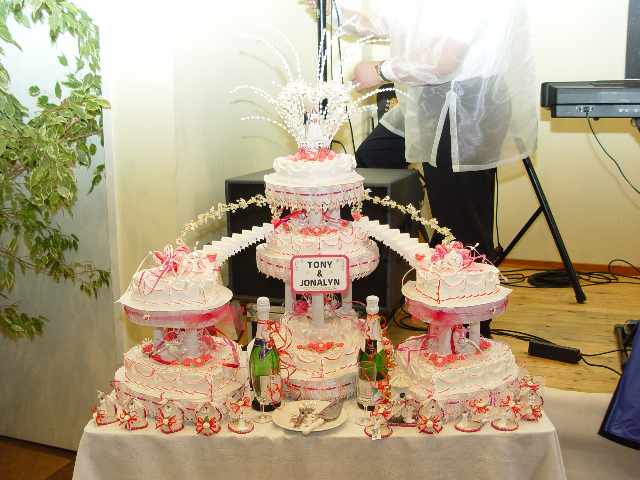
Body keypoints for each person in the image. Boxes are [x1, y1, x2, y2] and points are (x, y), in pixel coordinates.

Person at [305, 0, 538, 336]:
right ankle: (386, 275)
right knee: (372, 159)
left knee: (461, 222)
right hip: (427, 101)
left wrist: (381, 71)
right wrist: (331, 7)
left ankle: (469, 329)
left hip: (465, 105)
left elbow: (444, 61)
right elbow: (383, 20)